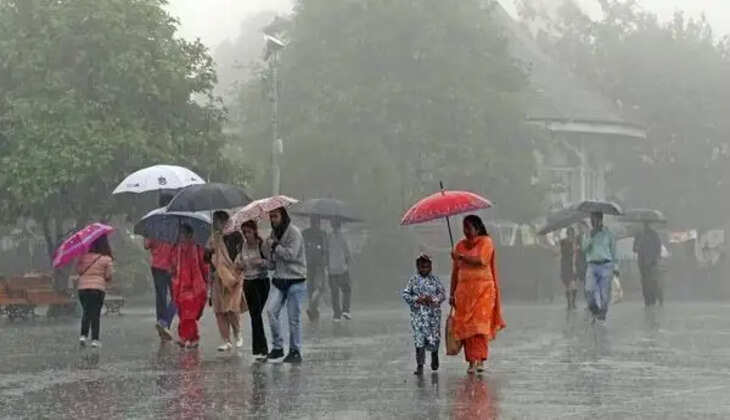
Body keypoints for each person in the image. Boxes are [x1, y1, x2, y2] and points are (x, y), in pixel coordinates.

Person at [450, 215, 506, 375]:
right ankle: (471, 361)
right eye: (464, 228)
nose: (466, 231)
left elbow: (482, 260)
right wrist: (452, 293)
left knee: (479, 327)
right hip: (464, 295)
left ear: (477, 227)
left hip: (484, 293)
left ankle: (480, 359)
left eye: (469, 228)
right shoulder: (459, 246)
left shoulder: (486, 242)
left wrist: (461, 257)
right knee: (467, 328)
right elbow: (455, 272)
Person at [265, 207, 307, 363]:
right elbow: (272, 262)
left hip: (296, 279)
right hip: (279, 279)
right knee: (271, 311)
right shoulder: (273, 234)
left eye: (275, 216)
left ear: (283, 216)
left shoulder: (294, 233)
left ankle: (295, 350)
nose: (273, 220)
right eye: (271, 217)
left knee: (293, 318)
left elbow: (291, 255)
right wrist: (267, 253)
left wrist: (276, 246)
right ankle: (278, 347)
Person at [206, 211, 246, 352]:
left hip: (232, 276)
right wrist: (208, 251)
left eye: (217, 221)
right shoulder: (213, 238)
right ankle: (226, 340)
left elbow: (241, 254)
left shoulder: (236, 235)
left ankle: (238, 333)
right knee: (219, 310)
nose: (215, 224)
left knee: (231, 308)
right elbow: (207, 259)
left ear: (224, 221)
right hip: (217, 277)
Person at [402, 254, 445, 375]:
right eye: (422, 267)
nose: (424, 269)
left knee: (434, 338)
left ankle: (434, 356)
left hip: (433, 316)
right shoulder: (413, 280)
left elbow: (442, 294)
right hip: (418, 316)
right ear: (418, 267)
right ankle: (420, 365)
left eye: (427, 267)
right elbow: (406, 294)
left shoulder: (435, 280)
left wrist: (433, 299)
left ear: (430, 267)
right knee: (419, 339)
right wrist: (417, 299)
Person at [235, 220, 271, 359]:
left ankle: (261, 348)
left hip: (261, 282)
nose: (246, 235)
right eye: (244, 232)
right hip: (248, 282)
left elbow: (271, 264)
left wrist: (261, 262)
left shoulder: (262, 245)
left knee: (256, 314)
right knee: (254, 315)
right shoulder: (242, 246)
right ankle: (261, 349)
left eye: (249, 232)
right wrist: (240, 265)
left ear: (254, 231)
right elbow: (237, 263)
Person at [171, 224, 208, 349]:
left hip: (195, 286)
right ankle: (192, 337)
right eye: (180, 233)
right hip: (180, 285)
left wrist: (208, 280)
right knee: (183, 313)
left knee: (189, 314)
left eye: (183, 233)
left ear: (189, 235)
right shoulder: (177, 249)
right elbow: (173, 265)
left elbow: (204, 265)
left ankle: (185, 337)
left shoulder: (197, 248)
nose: (181, 236)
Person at [76, 235, 114, 348]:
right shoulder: (106, 259)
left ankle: (83, 336)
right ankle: (95, 340)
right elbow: (108, 276)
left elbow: (79, 271)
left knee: (86, 311)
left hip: (83, 288)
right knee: (95, 313)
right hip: (97, 289)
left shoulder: (83, 257)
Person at [582, 212, 617, 322]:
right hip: (592, 266)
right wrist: (590, 237)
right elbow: (584, 249)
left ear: (600, 220)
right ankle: (595, 310)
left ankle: (603, 312)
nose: (593, 222)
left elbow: (613, 251)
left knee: (604, 294)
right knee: (589, 290)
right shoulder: (588, 234)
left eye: (595, 219)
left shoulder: (608, 234)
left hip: (606, 266)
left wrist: (616, 267)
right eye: (591, 220)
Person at [144, 237, 175, 341]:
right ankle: (165, 323)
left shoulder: (154, 231)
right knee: (177, 297)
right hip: (172, 266)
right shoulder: (175, 231)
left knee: (160, 296)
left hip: (157, 265)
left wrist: (147, 236)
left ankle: (161, 324)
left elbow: (146, 245)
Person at [302, 216, 328, 322]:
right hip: (318, 265)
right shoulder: (322, 234)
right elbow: (325, 250)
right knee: (320, 288)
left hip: (308, 265)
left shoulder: (305, 233)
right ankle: (312, 308)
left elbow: (302, 249)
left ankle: (313, 310)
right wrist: (325, 264)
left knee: (311, 289)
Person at [328, 218, 352, 321]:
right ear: (340, 225)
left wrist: (326, 265)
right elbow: (348, 252)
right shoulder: (344, 237)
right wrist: (348, 264)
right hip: (342, 268)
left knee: (334, 292)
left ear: (332, 225)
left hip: (331, 269)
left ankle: (336, 315)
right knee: (346, 289)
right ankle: (345, 310)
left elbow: (325, 251)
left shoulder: (328, 237)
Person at [634, 222, 663, 306]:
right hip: (642, 262)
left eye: (647, 224)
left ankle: (655, 297)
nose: (646, 226)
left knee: (653, 281)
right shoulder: (639, 235)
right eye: (645, 224)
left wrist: (656, 257)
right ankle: (647, 299)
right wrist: (638, 247)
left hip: (652, 262)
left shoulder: (654, 235)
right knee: (645, 282)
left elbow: (658, 247)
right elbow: (634, 248)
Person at [560, 227, 578, 310]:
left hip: (570, 264)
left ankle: (573, 303)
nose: (570, 235)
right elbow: (559, 252)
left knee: (573, 284)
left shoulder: (574, 242)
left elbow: (574, 254)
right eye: (569, 233)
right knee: (567, 285)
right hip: (564, 264)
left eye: (571, 233)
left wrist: (574, 265)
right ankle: (569, 304)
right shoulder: (562, 241)